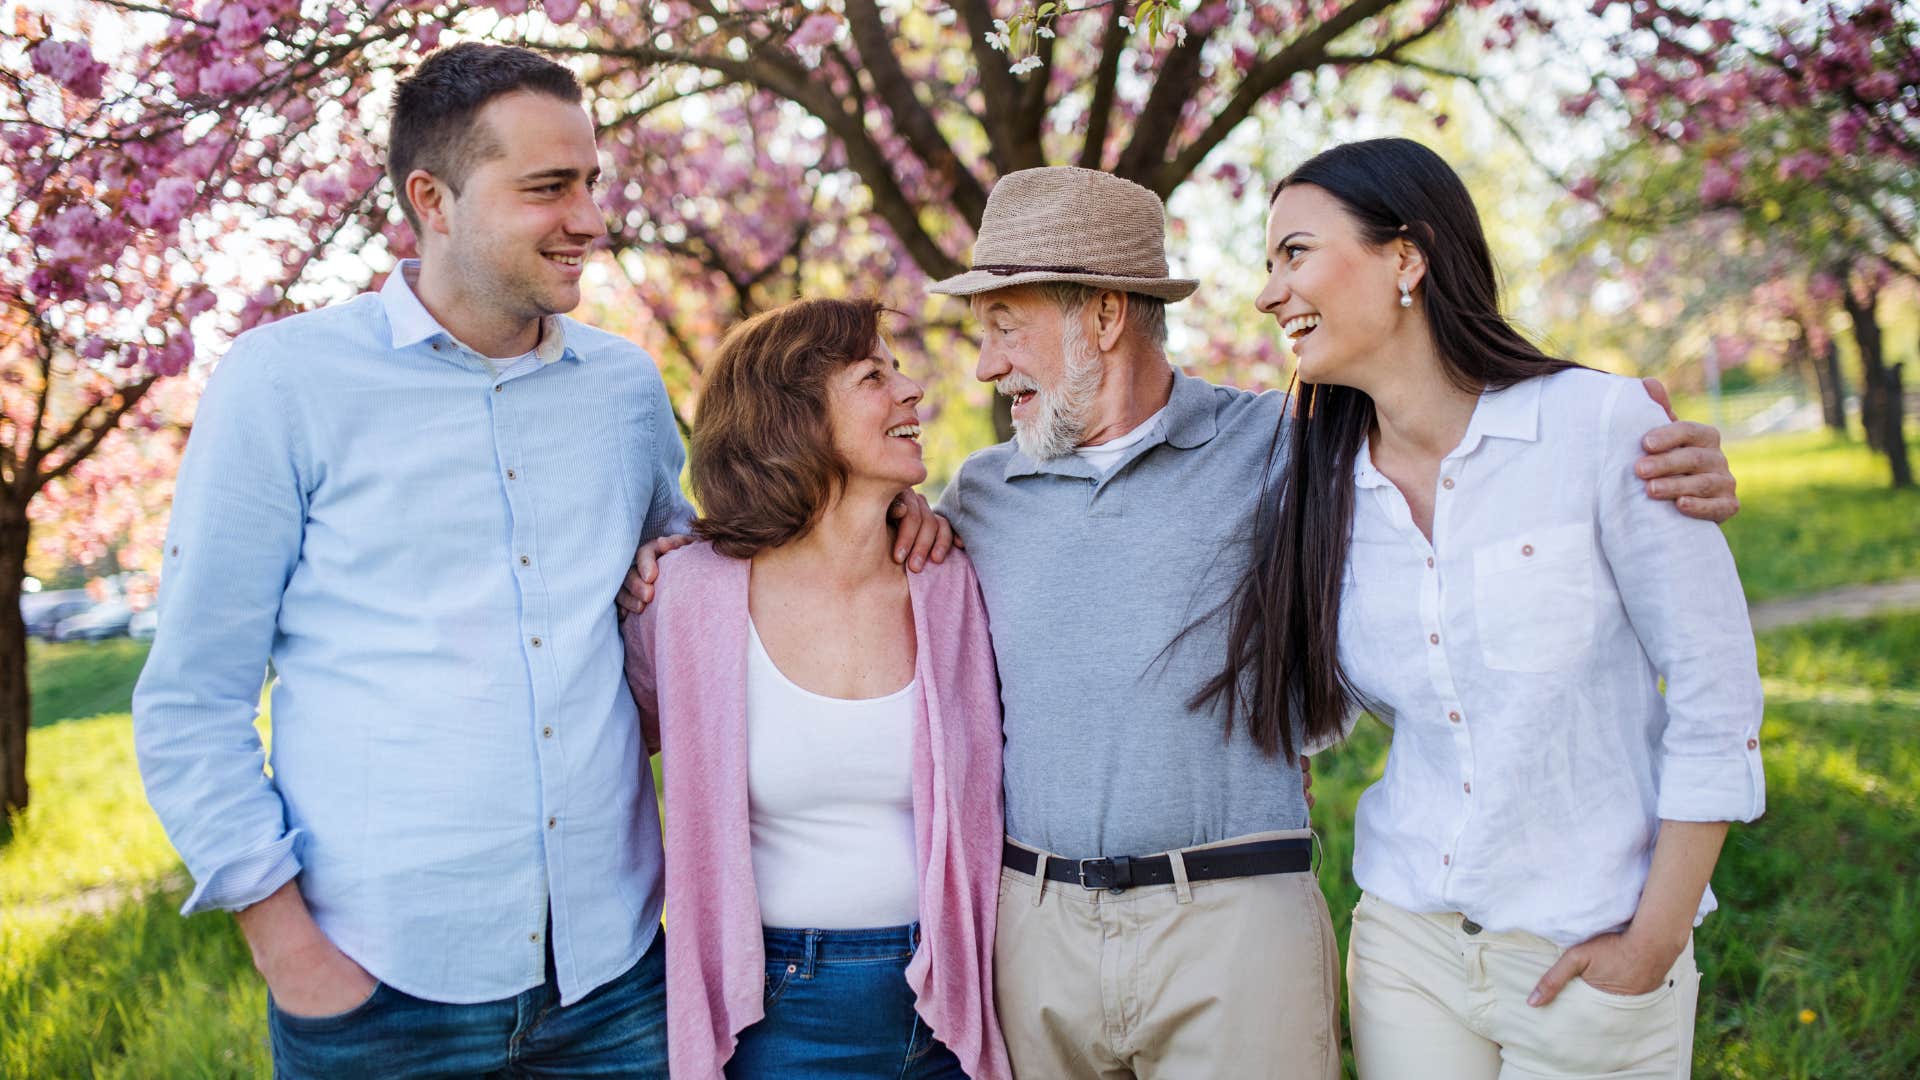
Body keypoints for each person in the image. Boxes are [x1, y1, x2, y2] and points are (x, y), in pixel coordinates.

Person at [130, 44, 950, 1077]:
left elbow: (722, 573)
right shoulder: (284, 384)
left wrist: (896, 521)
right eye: (547, 188)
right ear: (433, 198)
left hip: (612, 985)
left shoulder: (622, 389)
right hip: (379, 991)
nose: (591, 219)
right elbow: (191, 699)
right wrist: (290, 952)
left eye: (592, 182)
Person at [1214, 137, 1764, 1079]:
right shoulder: (1311, 482)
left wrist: (1653, 944)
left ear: (1407, 257)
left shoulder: (1600, 428)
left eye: (1294, 252)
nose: (1269, 293)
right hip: (1406, 949)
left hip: (1593, 947)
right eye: (1269, 264)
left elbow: (1718, 697)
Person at [622, 298, 1010, 1080]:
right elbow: (612, 749)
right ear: (791, 420)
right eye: (875, 376)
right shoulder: (685, 597)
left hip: (952, 1000)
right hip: (774, 1012)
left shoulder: (951, 582)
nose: (912, 392)